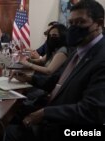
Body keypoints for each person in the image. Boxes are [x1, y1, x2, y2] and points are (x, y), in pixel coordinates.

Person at [6, 0, 105, 140]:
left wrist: (45, 113)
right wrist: (28, 78)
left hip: (68, 128)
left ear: (99, 24)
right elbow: (56, 80)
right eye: (71, 23)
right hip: (52, 108)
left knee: (7, 133)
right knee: (7, 116)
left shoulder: (101, 57)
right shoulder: (79, 50)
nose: (74, 28)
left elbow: (92, 111)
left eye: (81, 22)